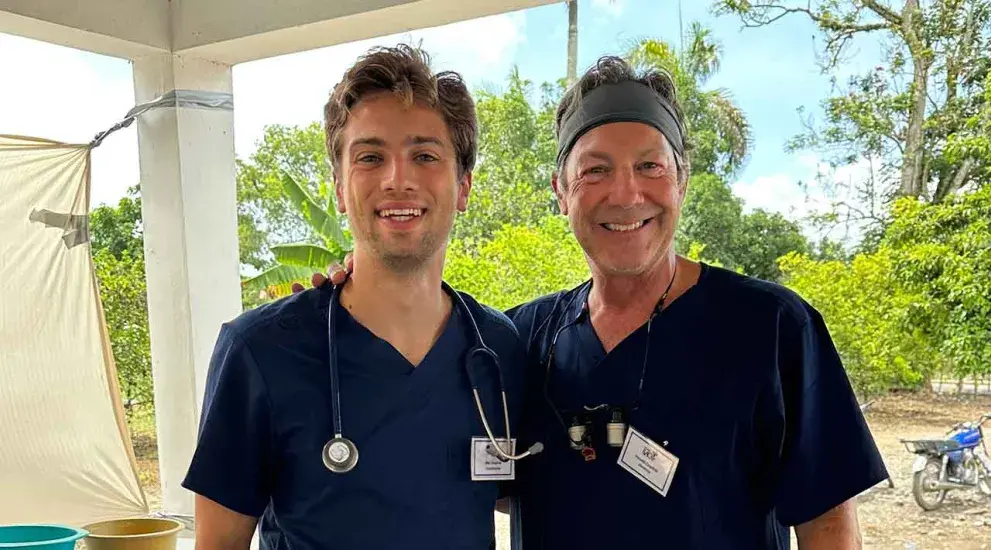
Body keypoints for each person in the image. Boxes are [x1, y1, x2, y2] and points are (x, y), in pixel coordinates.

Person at [317, 56, 888, 549]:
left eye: (649, 166)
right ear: (560, 190)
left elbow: (828, 523)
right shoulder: (518, 340)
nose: (625, 193)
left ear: (681, 180)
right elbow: (456, 464)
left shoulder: (771, 330)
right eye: (595, 170)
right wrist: (350, 303)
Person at [182, 44, 534, 550]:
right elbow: (218, 544)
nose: (398, 179)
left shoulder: (499, 350)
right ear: (340, 188)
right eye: (370, 157)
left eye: (425, 155)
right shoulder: (259, 352)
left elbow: (507, 497)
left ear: (463, 186)